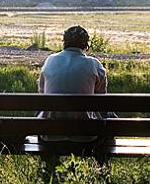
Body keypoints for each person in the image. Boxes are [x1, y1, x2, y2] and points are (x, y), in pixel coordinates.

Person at [37, 26, 112, 175]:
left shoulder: (50, 61)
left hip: (50, 135)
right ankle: (103, 169)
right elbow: (101, 101)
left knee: (43, 115)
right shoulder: (94, 64)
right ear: (85, 44)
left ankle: (49, 168)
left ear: (64, 42)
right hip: (85, 136)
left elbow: (41, 94)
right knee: (110, 118)